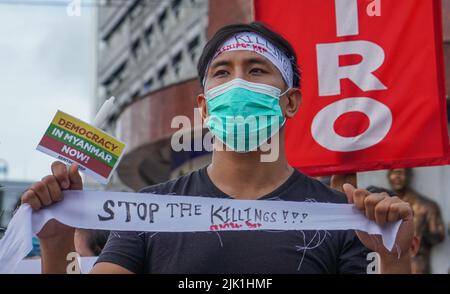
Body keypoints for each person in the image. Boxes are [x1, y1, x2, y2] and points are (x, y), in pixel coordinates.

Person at [21, 22, 414, 274]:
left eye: (256, 70)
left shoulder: (339, 219)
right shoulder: (148, 211)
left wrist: (394, 260)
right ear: (205, 107)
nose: (238, 84)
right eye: (223, 73)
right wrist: (56, 248)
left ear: (290, 102)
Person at [387, 168, 445, 274]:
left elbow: (439, 236)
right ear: (388, 176)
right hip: (389, 264)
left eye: (401, 173)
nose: (398, 177)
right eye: (394, 173)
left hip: (416, 265)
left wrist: (422, 234)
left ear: (409, 176)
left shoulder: (426, 206)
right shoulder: (382, 206)